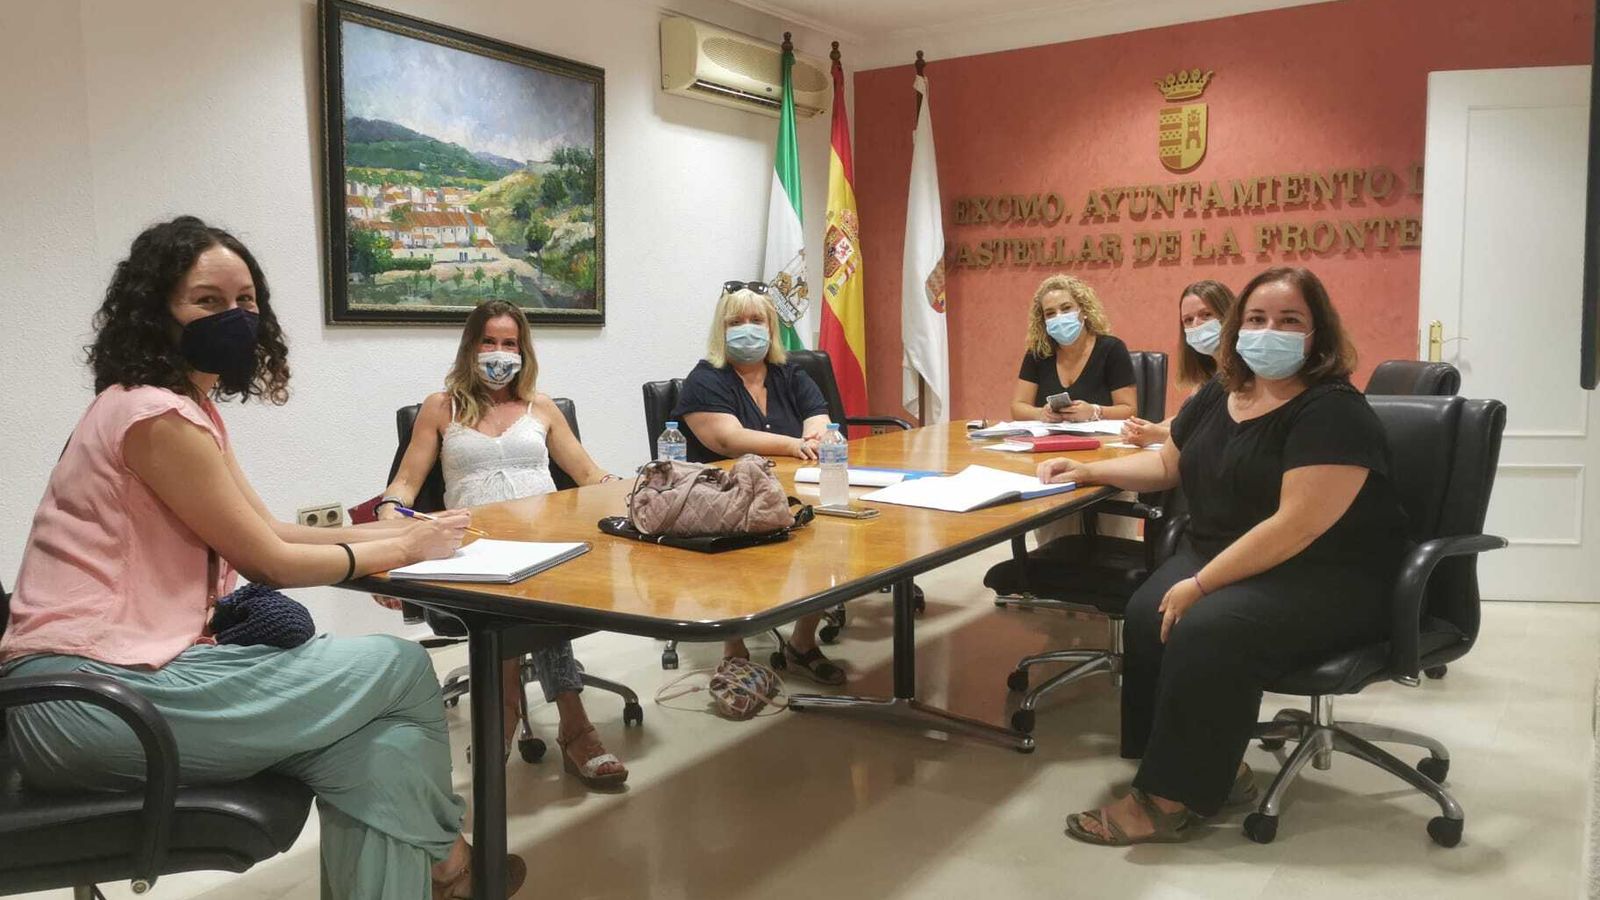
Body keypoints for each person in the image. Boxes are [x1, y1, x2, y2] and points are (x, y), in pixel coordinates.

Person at [0, 216, 524, 898]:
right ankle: (453, 861)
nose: (236, 317)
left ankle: (448, 873)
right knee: (395, 665)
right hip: (87, 702)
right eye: (207, 301)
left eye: (246, 301)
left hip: (126, 680)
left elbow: (269, 530)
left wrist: (412, 532)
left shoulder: (180, 409)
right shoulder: (153, 418)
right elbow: (269, 564)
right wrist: (398, 547)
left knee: (374, 746)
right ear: (155, 312)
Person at [1035, 267, 1409, 845]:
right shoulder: (1221, 391)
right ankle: (1209, 767)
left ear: (1318, 335)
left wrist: (1203, 583)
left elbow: (1297, 525)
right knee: (1146, 610)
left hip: (1326, 574)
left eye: (1290, 321)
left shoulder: (1333, 410)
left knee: (1205, 625)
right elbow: (1165, 465)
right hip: (1231, 553)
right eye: (1257, 319)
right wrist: (1087, 469)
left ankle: (1168, 799)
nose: (1269, 332)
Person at [376, 299, 627, 790]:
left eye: (508, 343)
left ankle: (514, 713)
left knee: (541, 590)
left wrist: (635, 485)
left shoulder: (542, 407)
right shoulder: (440, 407)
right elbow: (405, 484)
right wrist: (391, 523)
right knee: (525, 600)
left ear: (523, 350)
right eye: (488, 342)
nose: (498, 352)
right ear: (470, 347)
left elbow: (588, 475)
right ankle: (568, 727)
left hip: (547, 541)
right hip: (475, 546)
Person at [671, 282, 843, 684]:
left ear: (771, 328)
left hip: (792, 491)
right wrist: (795, 443)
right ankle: (735, 649)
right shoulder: (705, 378)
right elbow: (728, 439)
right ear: (721, 329)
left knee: (830, 534)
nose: (747, 329)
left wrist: (818, 436)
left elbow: (819, 417)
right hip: (725, 498)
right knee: (740, 546)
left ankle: (802, 642)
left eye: (757, 320)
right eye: (736, 321)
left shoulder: (790, 374)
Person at [1121, 279, 1238, 447]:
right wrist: (1145, 427)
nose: (1196, 325)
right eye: (1188, 320)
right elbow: (1187, 418)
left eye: (1206, 315)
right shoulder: (1208, 373)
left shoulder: (1246, 373)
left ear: (1228, 314)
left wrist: (1160, 434)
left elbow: (1221, 433)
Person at [1009, 274, 1138, 424]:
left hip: (1101, 442)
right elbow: (1017, 407)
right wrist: (1040, 413)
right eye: (1050, 313)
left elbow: (1129, 409)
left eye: (1066, 308)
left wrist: (1094, 411)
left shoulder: (1112, 349)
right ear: (1043, 321)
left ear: (1083, 311)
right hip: (1049, 441)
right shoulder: (1038, 353)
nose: (1059, 317)